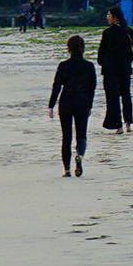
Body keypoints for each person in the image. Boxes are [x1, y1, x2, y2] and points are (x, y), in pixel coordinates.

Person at [48, 36, 96, 175]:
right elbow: (92, 88)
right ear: (83, 49)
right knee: (81, 134)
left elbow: (56, 86)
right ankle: (79, 156)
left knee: (66, 136)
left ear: (69, 49)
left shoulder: (63, 65)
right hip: (82, 101)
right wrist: (89, 105)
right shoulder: (88, 66)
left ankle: (67, 169)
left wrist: (51, 105)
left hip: (66, 101)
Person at [98, 7, 133, 132]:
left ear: (115, 17)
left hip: (110, 70)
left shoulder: (108, 33)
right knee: (126, 95)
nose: (107, 17)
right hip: (124, 69)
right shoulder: (128, 31)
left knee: (113, 97)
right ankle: (128, 123)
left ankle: (118, 125)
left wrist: (103, 62)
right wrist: (128, 59)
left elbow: (101, 52)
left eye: (109, 14)